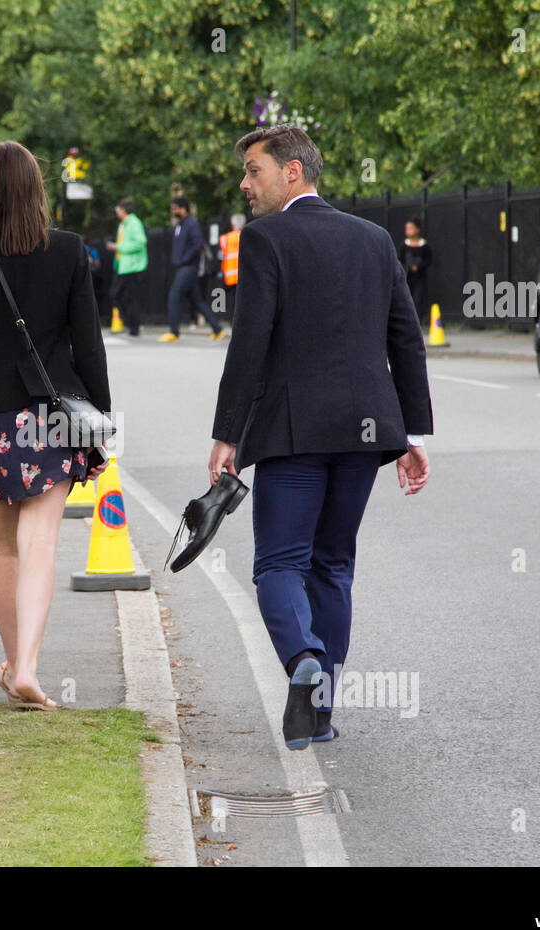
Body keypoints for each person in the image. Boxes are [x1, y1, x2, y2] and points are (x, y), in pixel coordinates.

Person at [207, 124, 432, 750]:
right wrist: (411, 432)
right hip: (366, 433)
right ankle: (321, 711)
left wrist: (227, 434)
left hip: (291, 432)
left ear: (292, 172)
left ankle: (302, 660)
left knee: (280, 563)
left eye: (254, 170)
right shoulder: (374, 239)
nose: (246, 184)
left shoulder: (266, 239)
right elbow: (405, 339)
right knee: (333, 567)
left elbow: (249, 340)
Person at [0, 140, 111, 711]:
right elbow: (89, 346)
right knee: (41, 545)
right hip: (47, 422)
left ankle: (15, 664)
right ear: (38, 192)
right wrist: (101, 419)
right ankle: (29, 669)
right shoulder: (68, 252)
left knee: (4, 550)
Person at [162, 196, 225, 342]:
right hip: (182, 267)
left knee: (173, 296)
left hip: (188, 267)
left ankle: (174, 332)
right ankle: (218, 329)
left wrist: (185, 259)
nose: (173, 211)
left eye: (174, 208)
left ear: (182, 208)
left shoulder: (192, 224)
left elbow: (197, 245)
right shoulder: (179, 225)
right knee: (197, 301)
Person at [107, 198, 147, 336]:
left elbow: (140, 243)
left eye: (118, 209)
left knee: (128, 297)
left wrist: (118, 247)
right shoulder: (123, 225)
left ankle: (134, 326)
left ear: (124, 210)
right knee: (119, 295)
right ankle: (131, 324)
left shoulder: (134, 224)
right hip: (123, 267)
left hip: (133, 267)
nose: (117, 212)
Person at [401, 217, 432, 324]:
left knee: (418, 299)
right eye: (407, 228)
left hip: (420, 278)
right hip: (407, 277)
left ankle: (417, 321)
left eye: (411, 228)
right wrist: (407, 267)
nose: (408, 230)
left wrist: (418, 267)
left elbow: (428, 260)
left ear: (417, 229)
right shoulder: (404, 245)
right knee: (406, 298)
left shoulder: (424, 245)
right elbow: (400, 260)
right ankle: (406, 321)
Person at [218, 212, 245, 320]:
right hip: (243, 274)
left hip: (229, 275)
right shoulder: (246, 236)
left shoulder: (225, 238)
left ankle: (231, 320)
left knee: (231, 300)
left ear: (232, 224)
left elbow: (221, 256)